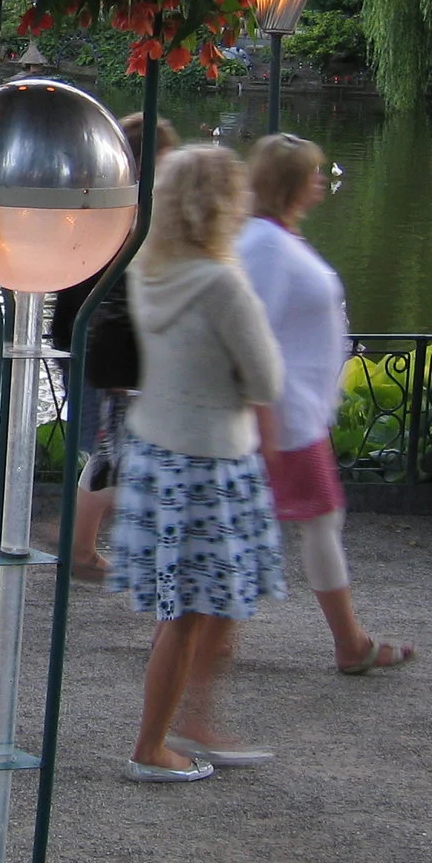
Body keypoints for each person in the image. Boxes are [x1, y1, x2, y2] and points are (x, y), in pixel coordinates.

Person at [108, 144, 285, 783]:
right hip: (210, 460)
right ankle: (152, 747)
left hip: (156, 454)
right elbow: (265, 379)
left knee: (185, 610)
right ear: (222, 204)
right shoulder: (222, 284)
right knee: (188, 614)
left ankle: (184, 724)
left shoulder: (145, 272)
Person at [239, 134, 415, 676]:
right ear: (291, 183)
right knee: (315, 518)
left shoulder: (277, 239)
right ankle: (350, 643)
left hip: (298, 411)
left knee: (261, 522)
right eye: (312, 172)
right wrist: (263, 420)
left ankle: (190, 635)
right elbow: (252, 332)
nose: (321, 180)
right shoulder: (265, 245)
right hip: (284, 415)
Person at [48, 114, 182, 582]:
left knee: (110, 452)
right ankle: (91, 544)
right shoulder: (130, 214)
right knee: (120, 454)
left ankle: (80, 543)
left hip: (93, 345)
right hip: (107, 353)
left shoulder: (101, 204)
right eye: (165, 158)